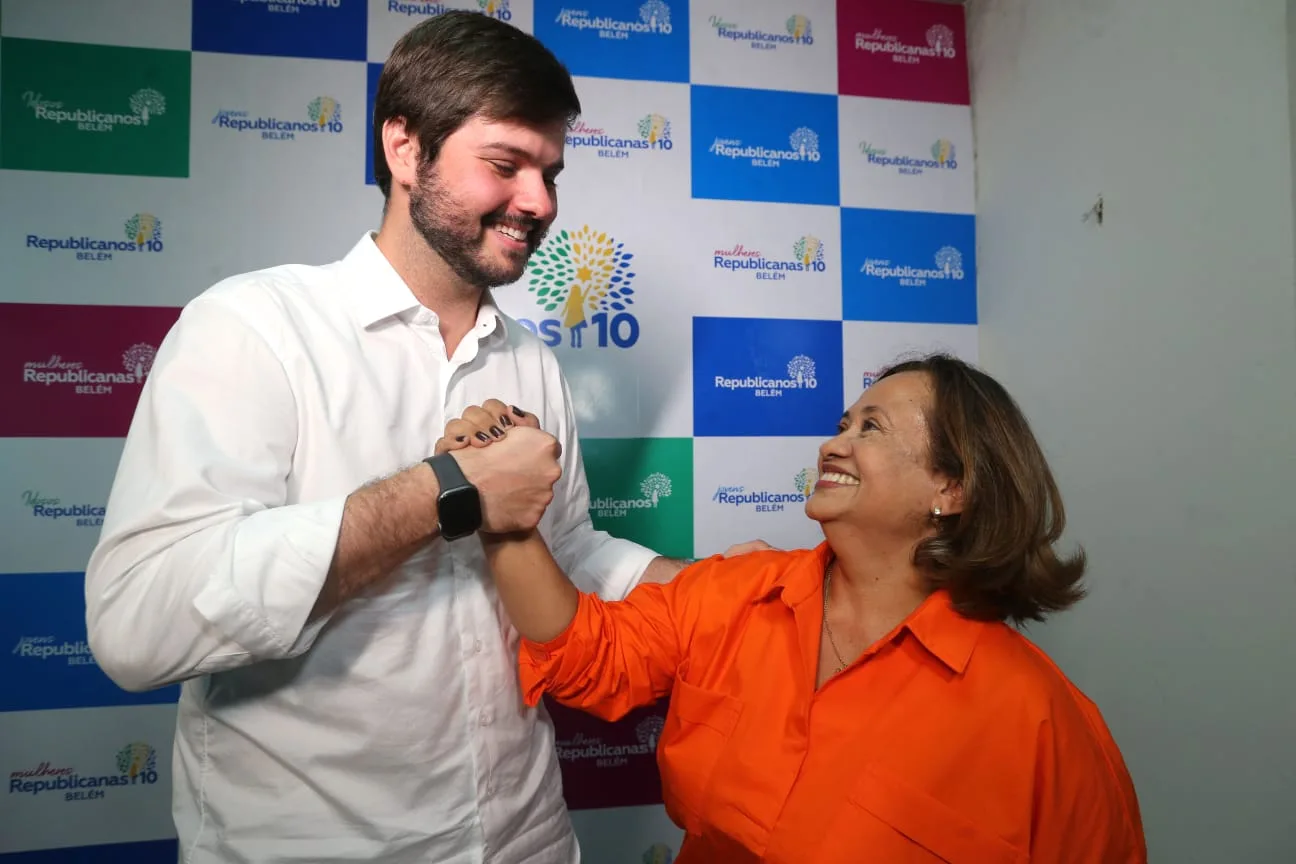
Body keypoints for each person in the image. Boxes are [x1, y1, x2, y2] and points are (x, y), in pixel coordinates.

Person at [83, 11, 730, 863]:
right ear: (404, 148)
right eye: (505, 165)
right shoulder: (253, 328)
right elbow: (136, 625)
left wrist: (722, 598)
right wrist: (446, 492)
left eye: (550, 173)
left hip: (526, 839)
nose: (540, 203)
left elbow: (563, 547)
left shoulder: (531, 360)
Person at [452, 354, 1148, 863]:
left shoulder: (1040, 723)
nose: (831, 443)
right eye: (842, 422)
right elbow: (585, 657)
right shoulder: (740, 593)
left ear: (952, 488)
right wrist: (503, 513)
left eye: (869, 428)